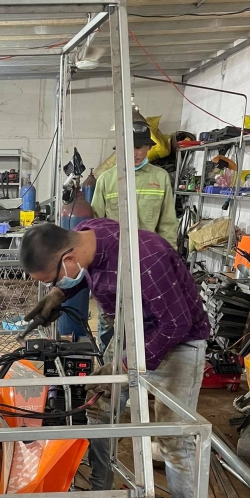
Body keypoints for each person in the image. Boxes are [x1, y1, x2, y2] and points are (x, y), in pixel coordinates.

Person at [20, 219, 210, 498]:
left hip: (179, 343)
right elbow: (84, 279)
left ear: (69, 258)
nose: (53, 284)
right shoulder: (87, 234)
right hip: (128, 332)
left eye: (52, 279)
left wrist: (127, 367)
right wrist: (60, 294)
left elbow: (176, 323)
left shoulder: (147, 258)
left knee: (175, 442)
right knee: (100, 412)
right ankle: (101, 497)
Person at [92, 120, 178, 350]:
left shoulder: (160, 178)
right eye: (130, 147)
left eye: (140, 147)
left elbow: (168, 223)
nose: (135, 153)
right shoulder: (106, 180)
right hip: (112, 264)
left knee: (146, 316)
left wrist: (169, 260)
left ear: (148, 147)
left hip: (148, 263)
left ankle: (139, 364)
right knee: (109, 318)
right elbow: (95, 225)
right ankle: (107, 364)